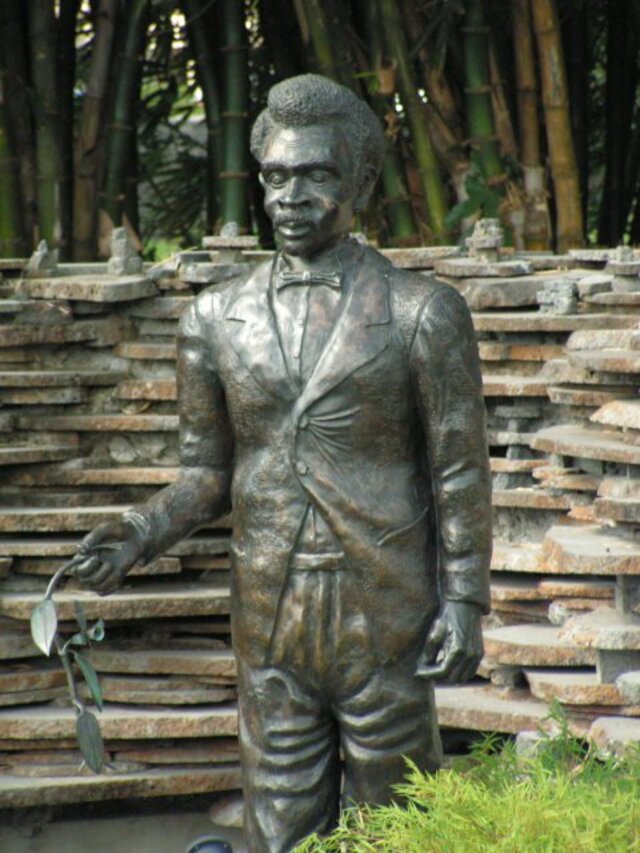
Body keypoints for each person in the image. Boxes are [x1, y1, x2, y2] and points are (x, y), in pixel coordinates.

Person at [76, 74, 492, 853]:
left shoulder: (422, 312)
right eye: (275, 175)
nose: (289, 195)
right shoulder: (212, 318)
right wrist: (135, 531)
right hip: (268, 606)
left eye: (315, 175)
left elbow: (459, 470)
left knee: (401, 821)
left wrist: (465, 598)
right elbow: (206, 474)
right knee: (280, 822)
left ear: (360, 180)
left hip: (385, 605)